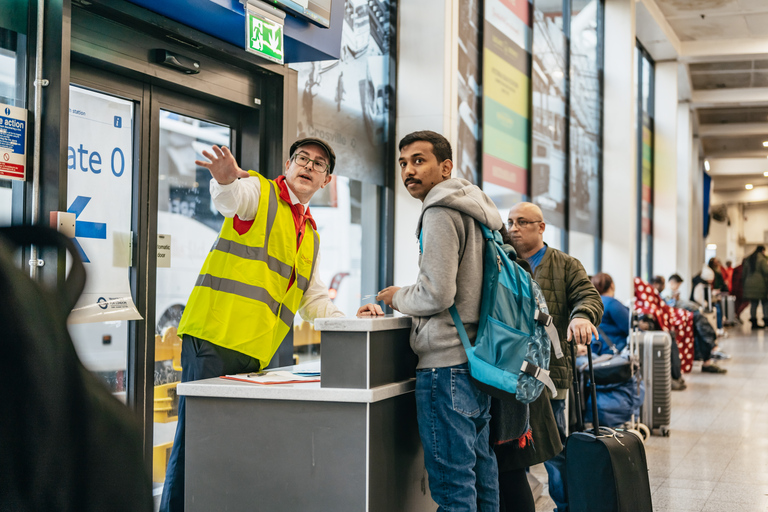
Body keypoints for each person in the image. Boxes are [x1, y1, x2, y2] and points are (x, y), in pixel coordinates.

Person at [160, 139, 382, 512]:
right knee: (195, 445)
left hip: (255, 356)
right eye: (302, 159)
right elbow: (232, 199)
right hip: (213, 339)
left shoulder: (309, 235)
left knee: (233, 450)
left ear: (327, 180)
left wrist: (352, 324)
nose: (308, 166)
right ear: (288, 163)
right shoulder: (260, 192)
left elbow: (313, 302)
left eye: (319, 164)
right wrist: (225, 181)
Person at [376, 130, 501, 511]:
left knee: (453, 490)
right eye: (403, 163)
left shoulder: (440, 210)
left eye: (419, 160)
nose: (408, 170)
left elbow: (436, 293)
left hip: (446, 368)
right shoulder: (475, 210)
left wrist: (395, 296)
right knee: (482, 480)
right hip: (477, 363)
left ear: (445, 167)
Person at [505, 202, 603, 512]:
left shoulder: (564, 265)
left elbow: (588, 296)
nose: (513, 228)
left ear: (541, 227)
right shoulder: (501, 263)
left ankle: (565, 506)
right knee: (511, 451)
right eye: (510, 222)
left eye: (522, 222)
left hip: (551, 378)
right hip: (509, 377)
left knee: (556, 451)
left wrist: (582, 316)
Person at [743, 245, 768, 330]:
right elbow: (766, 271)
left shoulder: (749, 258)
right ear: (762, 251)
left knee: (753, 304)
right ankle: (766, 321)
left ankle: (753, 322)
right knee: (765, 303)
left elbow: (744, 273)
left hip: (749, 284)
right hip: (761, 285)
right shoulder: (762, 259)